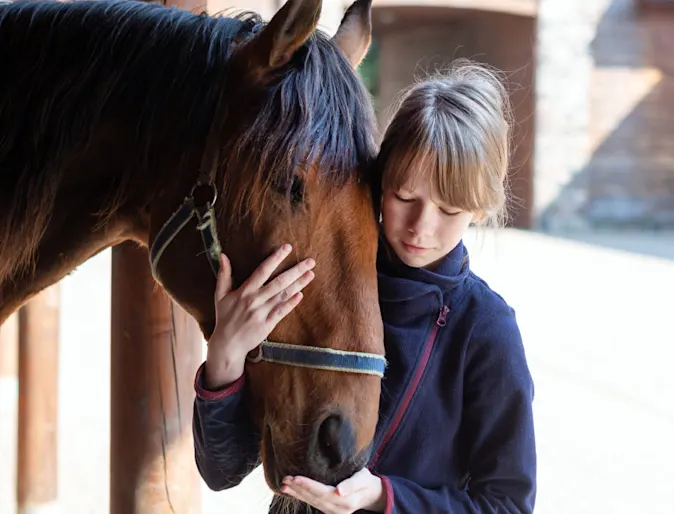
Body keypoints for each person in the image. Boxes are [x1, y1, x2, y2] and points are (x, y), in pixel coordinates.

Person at [192, 59, 537, 513]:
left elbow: (508, 504)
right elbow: (221, 470)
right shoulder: (314, 284)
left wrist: (383, 497)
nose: (421, 227)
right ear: (376, 180)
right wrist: (224, 359)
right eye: (404, 197)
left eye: (450, 210)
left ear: (480, 209)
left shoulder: (486, 328)